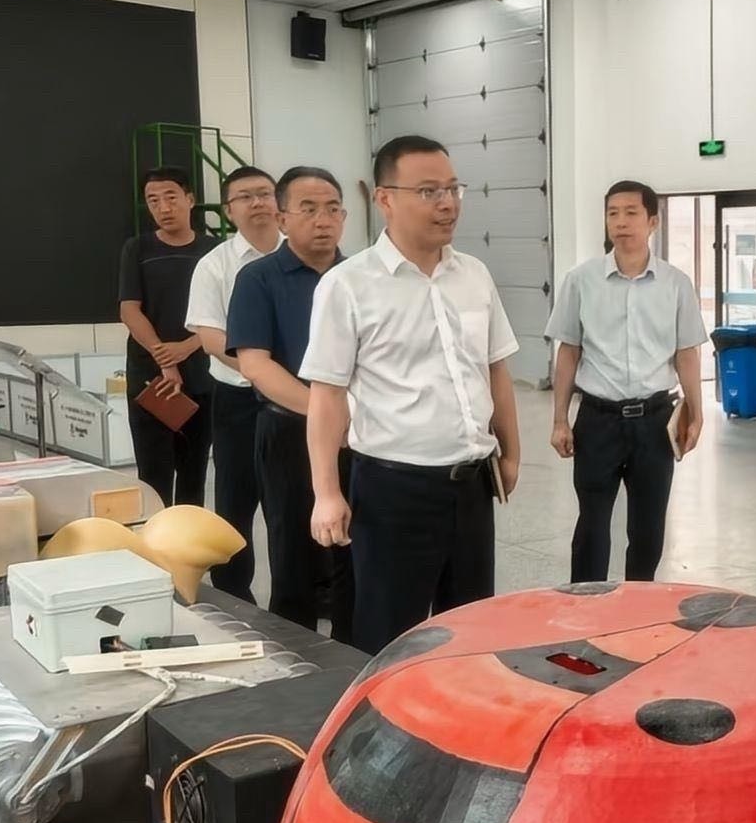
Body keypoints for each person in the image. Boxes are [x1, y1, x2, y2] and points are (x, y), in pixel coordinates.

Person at [300, 136, 521, 655]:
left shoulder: (474, 275)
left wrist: (511, 452)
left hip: (471, 487)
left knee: (470, 631)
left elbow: (495, 369)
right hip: (392, 492)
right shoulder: (348, 285)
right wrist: (326, 492)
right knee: (389, 634)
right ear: (385, 199)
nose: (447, 204)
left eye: (453, 189)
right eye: (428, 191)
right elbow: (327, 396)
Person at [547, 181, 706, 584]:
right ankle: (587, 605)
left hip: (655, 421)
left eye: (631, 213)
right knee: (592, 527)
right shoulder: (581, 280)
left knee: (648, 531)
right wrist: (560, 420)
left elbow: (687, 353)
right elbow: (569, 351)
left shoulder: (675, 284)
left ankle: (639, 607)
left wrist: (697, 413)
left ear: (653, 221)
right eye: (612, 213)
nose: (620, 222)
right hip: (597, 420)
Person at [224, 167, 354, 640]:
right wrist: (329, 416)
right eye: (309, 209)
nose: (324, 220)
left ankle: (358, 654)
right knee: (295, 553)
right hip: (288, 432)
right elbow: (255, 365)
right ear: (282, 218)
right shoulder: (259, 279)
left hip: (361, 435)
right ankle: (299, 658)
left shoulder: (360, 277)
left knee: (356, 556)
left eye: (333, 209)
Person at [183, 165, 281, 602]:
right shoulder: (214, 265)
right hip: (239, 399)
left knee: (297, 498)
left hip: (298, 399)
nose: (257, 202)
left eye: (265, 193)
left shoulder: (302, 256)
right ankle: (234, 593)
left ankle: (308, 594)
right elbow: (210, 338)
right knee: (236, 500)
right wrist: (264, 372)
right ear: (228, 210)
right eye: (245, 196)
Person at [118, 167, 219, 507]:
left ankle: (189, 539)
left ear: (190, 199)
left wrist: (187, 348)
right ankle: (154, 539)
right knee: (153, 475)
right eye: (153, 200)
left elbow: (225, 313)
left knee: (194, 473)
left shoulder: (214, 251)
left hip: (202, 374)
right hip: (151, 379)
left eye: (171, 197)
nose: (163, 207)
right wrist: (166, 360)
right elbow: (130, 311)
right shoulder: (138, 248)